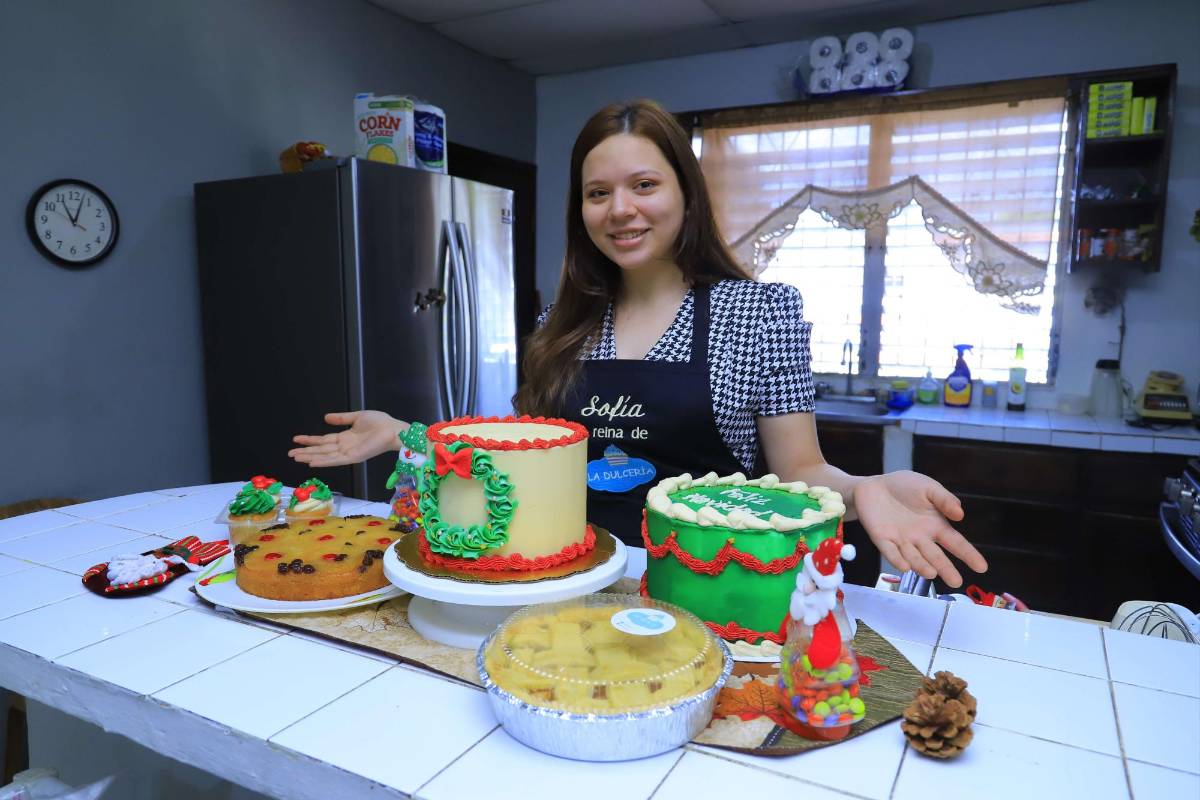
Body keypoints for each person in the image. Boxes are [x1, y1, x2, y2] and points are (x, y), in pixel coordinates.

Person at [290, 99, 987, 588]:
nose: (620, 208)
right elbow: (521, 462)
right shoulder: (560, 329)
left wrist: (863, 490)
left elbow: (799, 470)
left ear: (685, 194)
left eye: (644, 185)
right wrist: (406, 436)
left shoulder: (759, 312)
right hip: (566, 581)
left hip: (704, 594)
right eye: (598, 193)